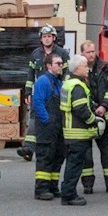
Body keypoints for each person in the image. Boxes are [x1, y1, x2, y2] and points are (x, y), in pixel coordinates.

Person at [78, 39, 108, 194]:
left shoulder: (104, 67)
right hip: (86, 117)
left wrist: (104, 106)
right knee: (86, 153)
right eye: (88, 52)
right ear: (82, 53)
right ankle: (88, 185)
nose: (92, 55)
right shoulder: (79, 69)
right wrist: (93, 108)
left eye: (93, 51)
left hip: (104, 116)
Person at [19, 27, 67, 160]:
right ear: (41, 38)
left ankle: (59, 146)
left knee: (55, 118)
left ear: (54, 38)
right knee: (35, 117)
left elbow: (66, 75)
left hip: (56, 92)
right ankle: (28, 148)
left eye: (49, 36)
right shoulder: (36, 54)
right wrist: (28, 92)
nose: (47, 39)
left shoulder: (62, 53)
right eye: (44, 36)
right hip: (40, 91)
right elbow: (30, 74)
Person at [59, 54, 99, 205]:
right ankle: (69, 195)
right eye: (84, 66)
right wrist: (93, 121)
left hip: (70, 132)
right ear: (77, 68)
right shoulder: (77, 86)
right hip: (78, 133)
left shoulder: (68, 83)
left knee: (71, 164)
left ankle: (67, 191)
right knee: (74, 166)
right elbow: (81, 109)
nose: (88, 69)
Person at [31, 53, 66, 200]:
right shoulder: (43, 81)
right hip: (47, 127)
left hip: (57, 127)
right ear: (49, 66)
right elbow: (38, 102)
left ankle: (53, 186)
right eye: (58, 63)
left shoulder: (58, 82)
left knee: (57, 156)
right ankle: (41, 189)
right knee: (45, 156)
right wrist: (47, 120)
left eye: (61, 63)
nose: (61, 66)